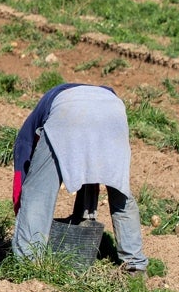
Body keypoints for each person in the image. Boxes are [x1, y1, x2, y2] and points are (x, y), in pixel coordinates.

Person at [11, 83, 148, 275]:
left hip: (69, 113)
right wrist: (82, 213)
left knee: (38, 193)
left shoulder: (28, 129)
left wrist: (20, 205)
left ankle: (27, 263)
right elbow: (89, 166)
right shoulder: (98, 93)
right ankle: (136, 265)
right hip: (113, 111)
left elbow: (23, 167)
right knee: (119, 189)